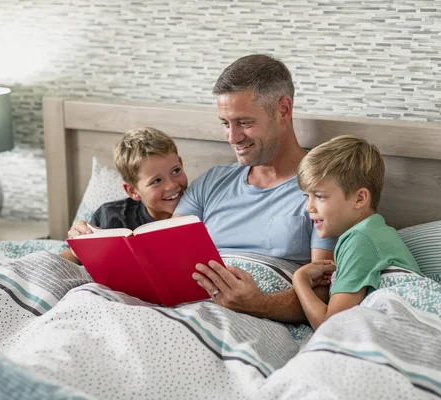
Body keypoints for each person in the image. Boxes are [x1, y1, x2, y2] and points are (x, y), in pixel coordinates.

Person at [176, 54, 337, 323]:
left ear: (283, 110)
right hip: (185, 312)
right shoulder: (210, 183)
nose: (232, 137)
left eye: (244, 123)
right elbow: (165, 258)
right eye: (225, 123)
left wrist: (259, 304)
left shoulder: (324, 190)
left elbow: (323, 291)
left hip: (252, 324)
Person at [292, 135, 422, 330]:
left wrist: (300, 280)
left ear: (359, 198)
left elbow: (332, 326)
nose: (309, 207)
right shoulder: (374, 232)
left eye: (319, 196)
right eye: (306, 196)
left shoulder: (360, 240)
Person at [60, 127, 188, 264]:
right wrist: (78, 246)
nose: (171, 185)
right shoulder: (110, 216)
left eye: (175, 171)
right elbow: (65, 261)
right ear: (133, 191)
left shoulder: (204, 208)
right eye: (157, 181)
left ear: (181, 163)